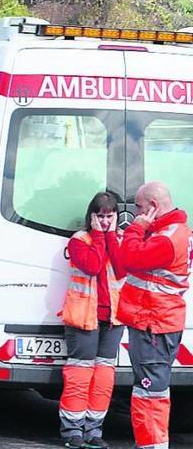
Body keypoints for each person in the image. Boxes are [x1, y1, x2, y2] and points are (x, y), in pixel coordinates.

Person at [118, 181, 191, 449]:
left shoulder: (167, 237)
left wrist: (136, 228)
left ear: (153, 206)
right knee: (152, 388)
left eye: (138, 207)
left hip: (154, 322)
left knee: (150, 390)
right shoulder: (175, 231)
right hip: (157, 320)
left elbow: (130, 258)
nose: (135, 212)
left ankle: (152, 445)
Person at [59, 192, 126, 449]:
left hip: (112, 319)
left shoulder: (117, 239)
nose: (106, 221)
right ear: (91, 216)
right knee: (79, 375)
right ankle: (72, 431)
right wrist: (100, 236)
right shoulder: (80, 240)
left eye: (110, 216)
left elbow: (121, 268)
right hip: (83, 318)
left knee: (103, 376)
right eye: (100, 216)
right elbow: (93, 266)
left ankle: (94, 430)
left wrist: (110, 237)